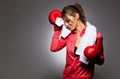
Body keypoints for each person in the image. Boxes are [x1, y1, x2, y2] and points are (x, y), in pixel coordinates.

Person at [48, 2, 104, 79]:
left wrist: (94, 56)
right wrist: (57, 31)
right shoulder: (69, 35)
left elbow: (101, 61)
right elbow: (54, 48)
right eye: (65, 22)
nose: (66, 25)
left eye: (68, 20)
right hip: (67, 76)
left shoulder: (95, 36)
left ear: (77, 16)